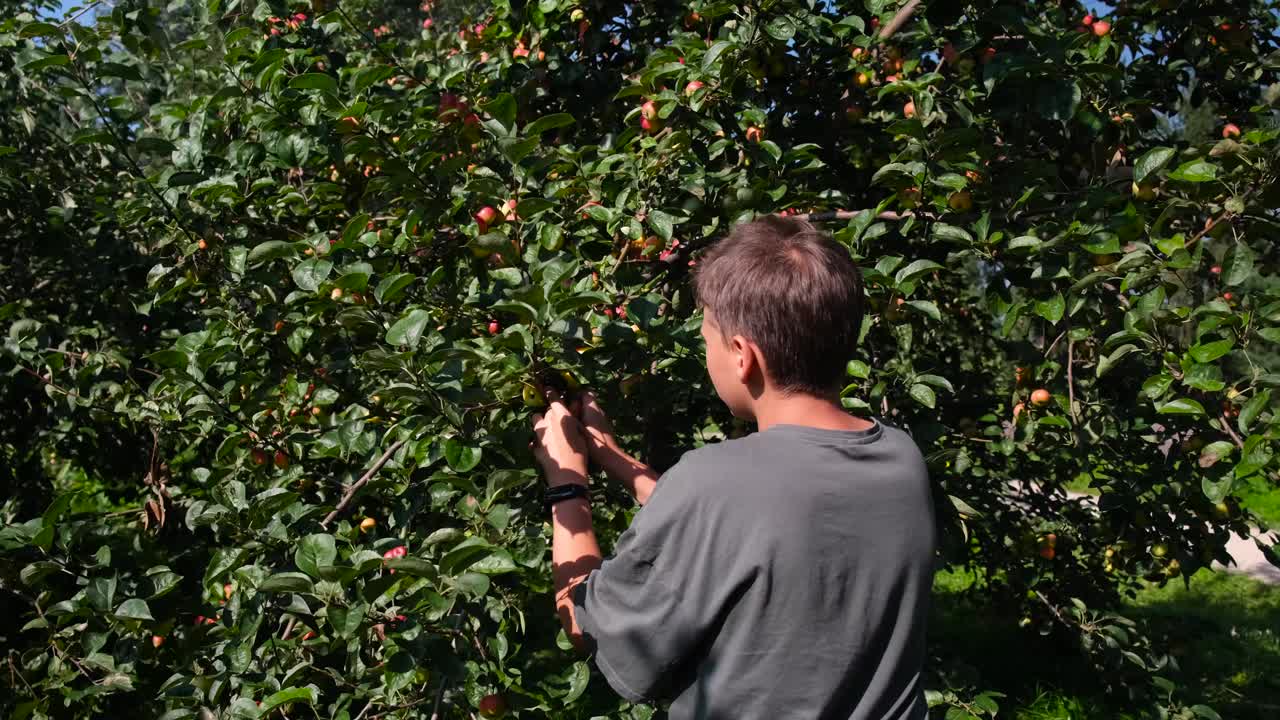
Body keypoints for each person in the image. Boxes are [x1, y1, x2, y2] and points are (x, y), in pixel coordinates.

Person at [531, 215, 937, 719]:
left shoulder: (713, 484)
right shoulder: (901, 459)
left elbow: (587, 624)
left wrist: (567, 484)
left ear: (743, 356)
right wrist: (617, 459)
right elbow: (761, 522)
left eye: (708, 340)